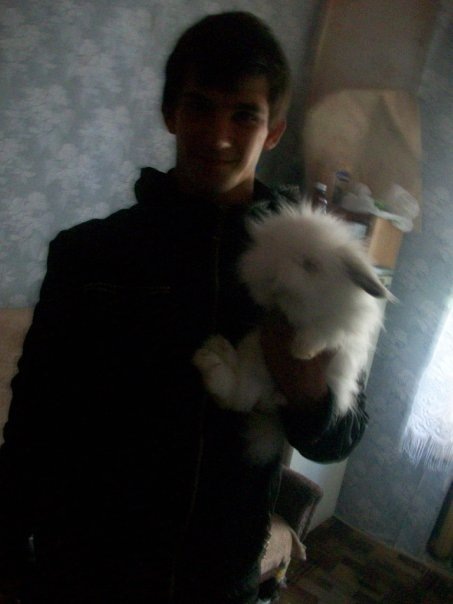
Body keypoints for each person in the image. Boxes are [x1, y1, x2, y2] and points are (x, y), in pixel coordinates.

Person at [0, 11, 368, 604]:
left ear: (274, 130)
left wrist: (307, 393)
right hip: (83, 573)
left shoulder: (311, 264)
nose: (218, 136)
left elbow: (339, 438)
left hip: (219, 582)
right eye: (200, 107)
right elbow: (36, 420)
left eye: (244, 115)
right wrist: (9, 557)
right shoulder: (89, 254)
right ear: (171, 112)